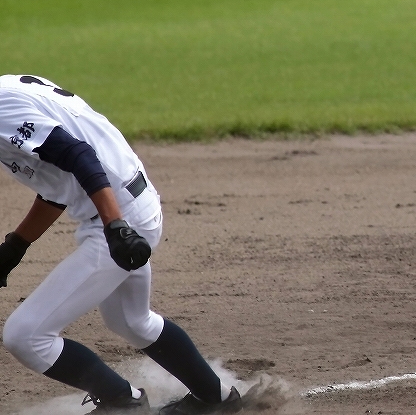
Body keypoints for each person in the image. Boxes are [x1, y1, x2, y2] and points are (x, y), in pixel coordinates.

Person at [0, 74, 242, 414]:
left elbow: (78, 155)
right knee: (131, 321)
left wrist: (115, 226)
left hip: (119, 218)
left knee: (25, 336)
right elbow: (59, 184)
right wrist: (15, 247)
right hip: (130, 204)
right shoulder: (10, 90)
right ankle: (216, 398)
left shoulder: (1, 111)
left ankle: (123, 402)